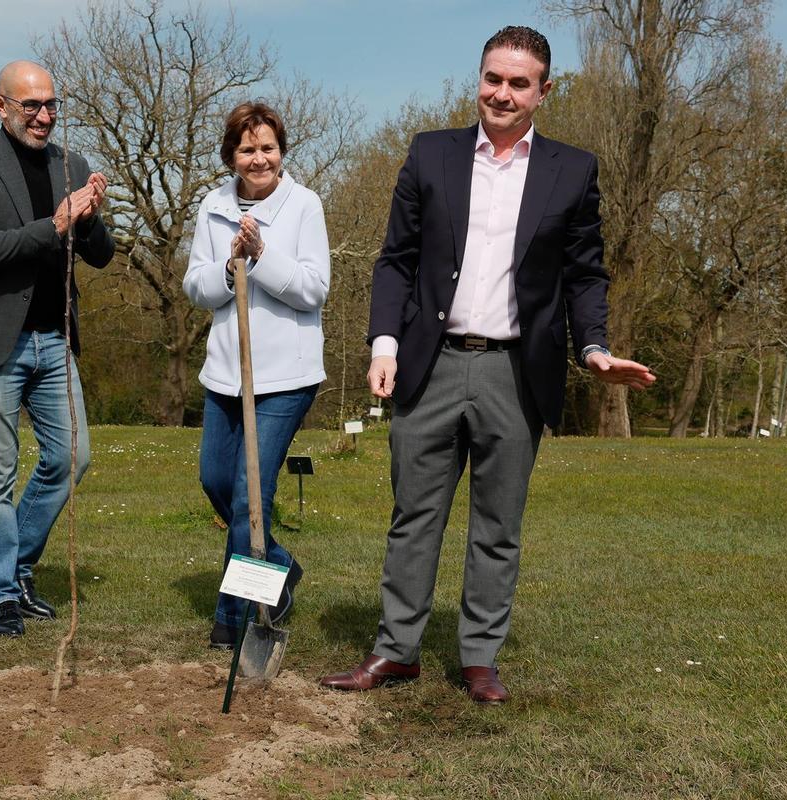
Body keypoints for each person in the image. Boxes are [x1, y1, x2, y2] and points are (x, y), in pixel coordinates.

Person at [319, 27, 656, 702]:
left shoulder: (573, 169)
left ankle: (479, 658)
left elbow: (585, 274)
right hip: (430, 365)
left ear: (543, 91)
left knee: (498, 526)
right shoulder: (430, 154)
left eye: (519, 83)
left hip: (516, 373)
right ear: (478, 77)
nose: (502, 94)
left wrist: (592, 348)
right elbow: (396, 261)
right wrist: (383, 346)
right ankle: (396, 651)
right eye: (493, 79)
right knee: (414, 517)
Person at [0, 60, 114, 637]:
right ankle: (1, 594)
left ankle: (15, 565)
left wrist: (88, 219)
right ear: (1, 107)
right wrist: (56, 224)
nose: (44, 116)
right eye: (30, 106)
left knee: (72, 458)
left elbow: (101, 254)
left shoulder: (73, 165)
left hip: (55, 339)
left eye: (50, 105)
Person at [183, 102, 330, 649]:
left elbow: (315, 288)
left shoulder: (304, 206)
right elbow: (194, 286)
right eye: (248, 149)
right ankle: (281, 565)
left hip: (285, 378)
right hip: (226, 373)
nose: (259, 158)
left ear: (281, 151)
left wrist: (261, 255)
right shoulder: (213, 205)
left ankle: (235, 613)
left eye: (268, 147)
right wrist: (228, 268)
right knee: (216, 482)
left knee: (251, 496)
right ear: (232, 156)